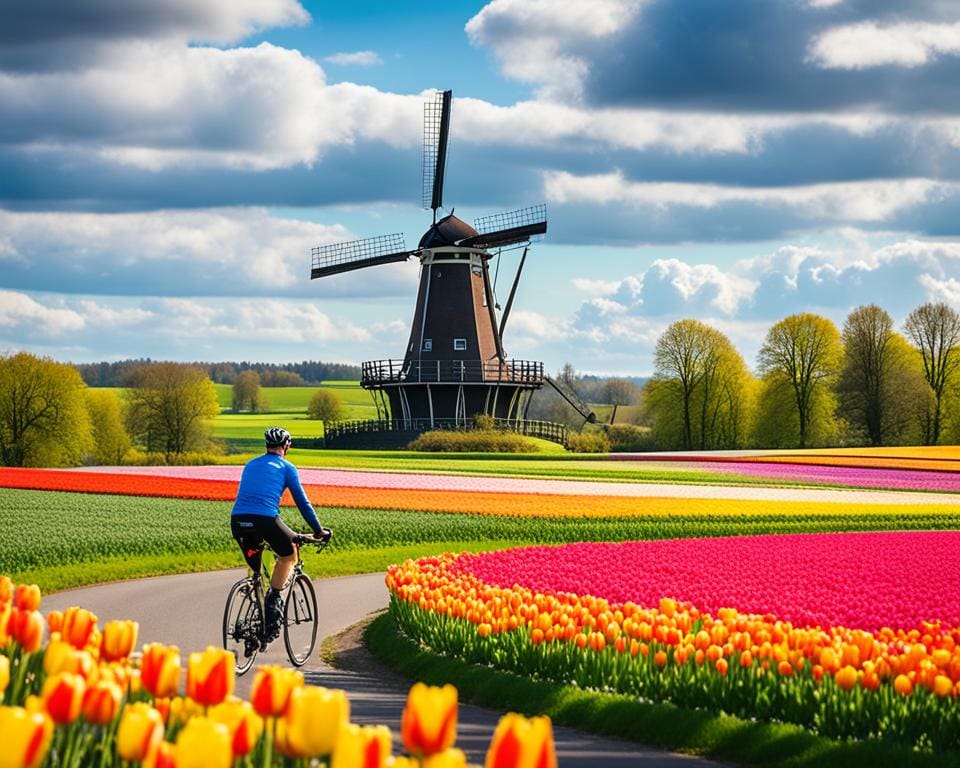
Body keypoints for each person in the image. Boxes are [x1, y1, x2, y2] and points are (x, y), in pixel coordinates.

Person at [231, 426, 329, 642]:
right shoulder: (287, 468)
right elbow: (303, 503)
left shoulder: (250, 464)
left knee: (255, 563)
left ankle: (254, 594)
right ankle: (273, 601)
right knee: (288, 555)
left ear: (267, 446)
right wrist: (318, 530)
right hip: (266, 519)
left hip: (237, 521)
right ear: (287, 446)